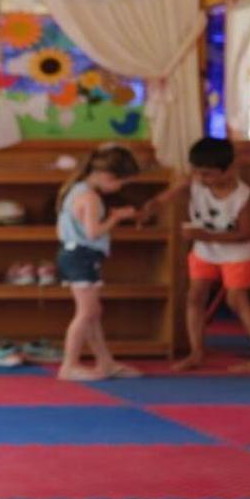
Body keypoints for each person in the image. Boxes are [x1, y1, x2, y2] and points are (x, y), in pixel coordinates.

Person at [141, 137, 250, 373]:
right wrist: (152, 205)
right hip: (206, 249)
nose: (202, 178)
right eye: (198, 172)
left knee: (236, 300)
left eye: (209, 174)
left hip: (237, 252)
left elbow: (245, 234)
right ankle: (196, 353)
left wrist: (205, 235)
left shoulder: (243, 196)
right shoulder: (194, 182)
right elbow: (166, 197)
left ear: (229, 169)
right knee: (195, 296)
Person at [56, 144, 143, 381]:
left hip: (75, 255)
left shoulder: (76, 189)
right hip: (81, 256)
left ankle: (105, 362)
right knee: (86, 313)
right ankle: (69, 365)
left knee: (92, 312)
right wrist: (116, 217)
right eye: (120, 182)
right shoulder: (90, 197)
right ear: (107, 175)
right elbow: (93, 232)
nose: (119, 188)